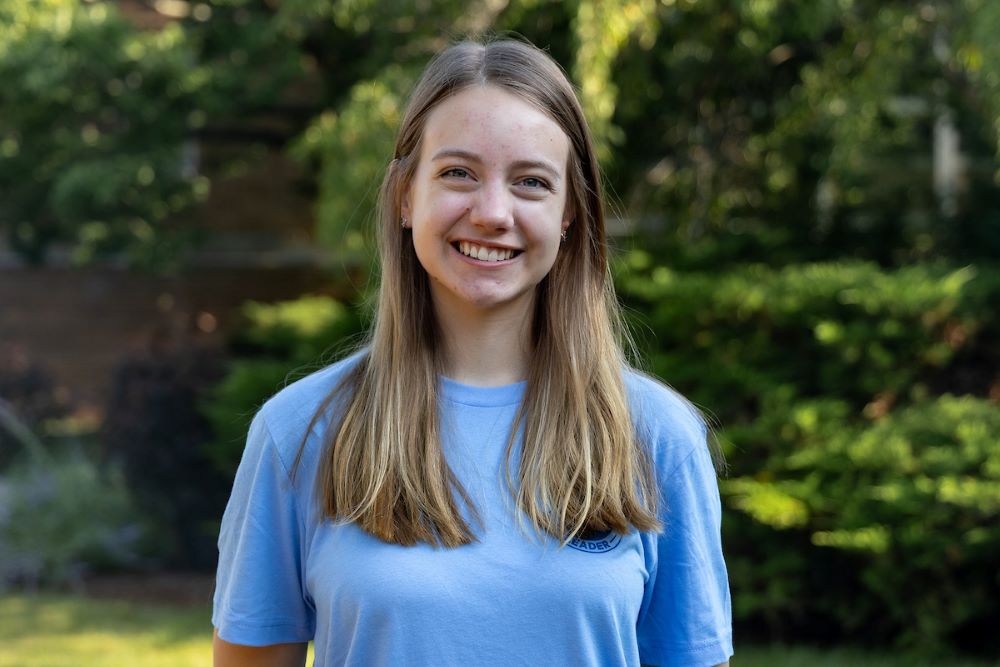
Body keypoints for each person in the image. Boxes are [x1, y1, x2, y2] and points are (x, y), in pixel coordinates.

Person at [212, 37, 732, 667]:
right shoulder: (297, 434)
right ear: (406, 196)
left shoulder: (659, 439)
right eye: (458, 173)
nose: (491, 213)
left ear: (570, 212)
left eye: (531, 183)